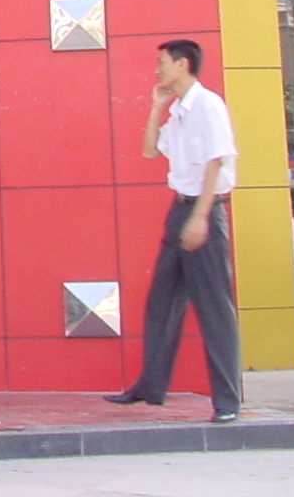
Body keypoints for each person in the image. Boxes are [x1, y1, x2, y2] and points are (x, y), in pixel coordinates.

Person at [106, 39, 242, 423]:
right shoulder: (179, 111)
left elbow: (217, 162)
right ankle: (150, 386)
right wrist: (156, 107)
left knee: (213, 308)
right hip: (180, 209)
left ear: (183, 64)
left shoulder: (208, 105)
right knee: (162, 300)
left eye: (162, 62)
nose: (157, 69)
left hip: (204, 209)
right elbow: (150, 150)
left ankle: (227, 401)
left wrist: (200, 217)